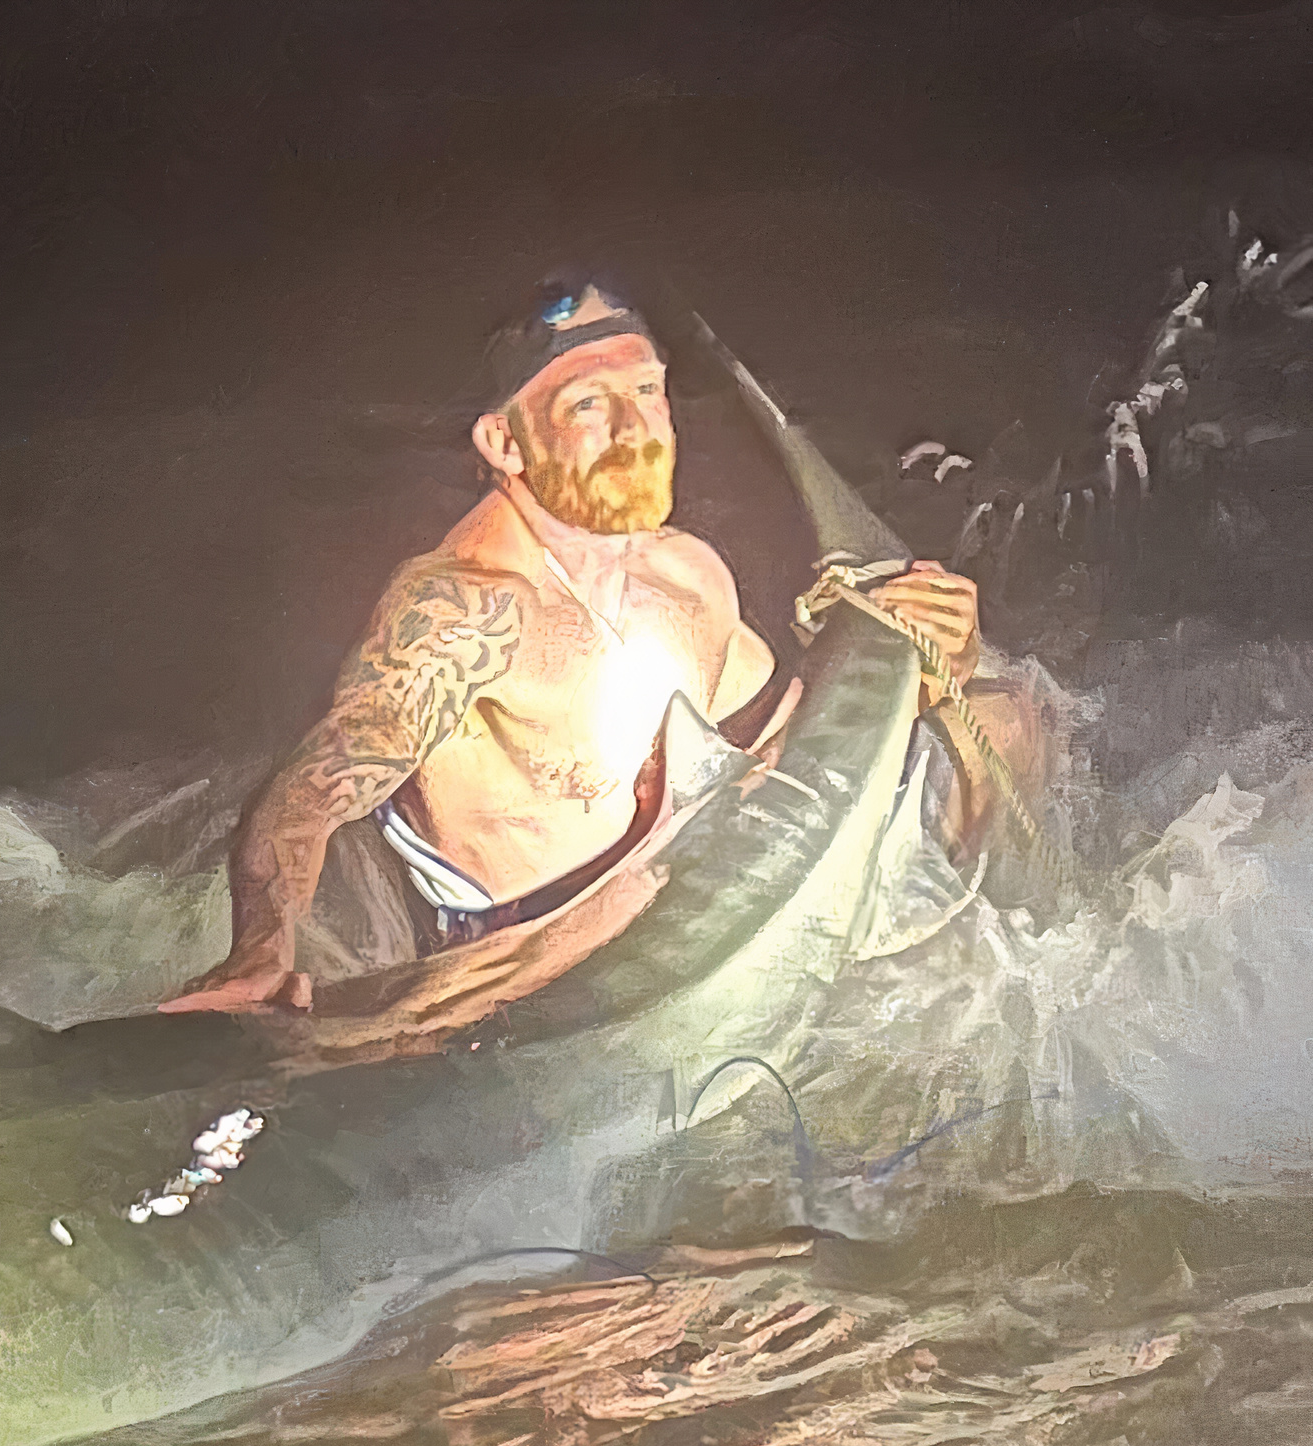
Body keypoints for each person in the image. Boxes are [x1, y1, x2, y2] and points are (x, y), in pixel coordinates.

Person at [163, 279, 987, 1011]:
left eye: (647, 391)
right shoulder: (466, 607)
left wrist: (921, 656)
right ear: (505, 444)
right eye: (589, 405)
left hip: (710, 917)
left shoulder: (686, 571)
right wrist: (262, 952)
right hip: (536, 983)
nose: (637, 429)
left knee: (1005, 718)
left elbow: (780, 743)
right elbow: (316, 788)